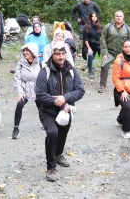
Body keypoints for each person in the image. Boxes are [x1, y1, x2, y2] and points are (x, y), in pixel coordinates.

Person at [36, 41, 85, 182]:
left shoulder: (71, 70)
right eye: (58, 54)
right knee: (52, 133)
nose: (61, 57)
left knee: (63, 134)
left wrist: (65, 98)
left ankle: (58, 154)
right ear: (52, 54)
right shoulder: (44, 71)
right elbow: (40, 94)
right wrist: (57, 102)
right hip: (48, 111)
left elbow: (80, 90)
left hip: (66, 110)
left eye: (64, 54)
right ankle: (51, 166)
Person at [12, 42, 41, 139]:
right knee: (19, 104)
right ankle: (16, 128)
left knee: (42, 107)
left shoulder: (40, 64)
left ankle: (46, 123)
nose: (25, 52)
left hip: (38, 90)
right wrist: (20, 92)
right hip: (25, 89)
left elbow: (45, 79)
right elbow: (17, 79)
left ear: (33, 51)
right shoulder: (21, 64)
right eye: (24, 50)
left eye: (27, 50)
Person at [99, 10, 130, 93]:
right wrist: (105, 53)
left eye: (120, 16)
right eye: (117, 16)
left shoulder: (127, 29)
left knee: (125, 68)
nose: (119, 18)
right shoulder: (108, 27)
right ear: (115, 17)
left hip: (122, 53)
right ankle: (102, 85)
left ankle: (124, 86)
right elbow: (102, 39)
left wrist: (128, 54)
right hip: (110, 51)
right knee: (104, 66)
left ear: (123, 17)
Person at [83, 11, 102, 79]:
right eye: (93, 16)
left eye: (95, 16)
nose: (94, 17)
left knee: (92, 57)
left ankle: (89, 65)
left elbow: (101, 36)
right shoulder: (86, 26)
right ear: (90, 17)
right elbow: (85, 39)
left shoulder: (99, 26)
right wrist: (89, 48)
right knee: (90, 55)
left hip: (96, 45)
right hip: (88, 45)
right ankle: (90, 71)